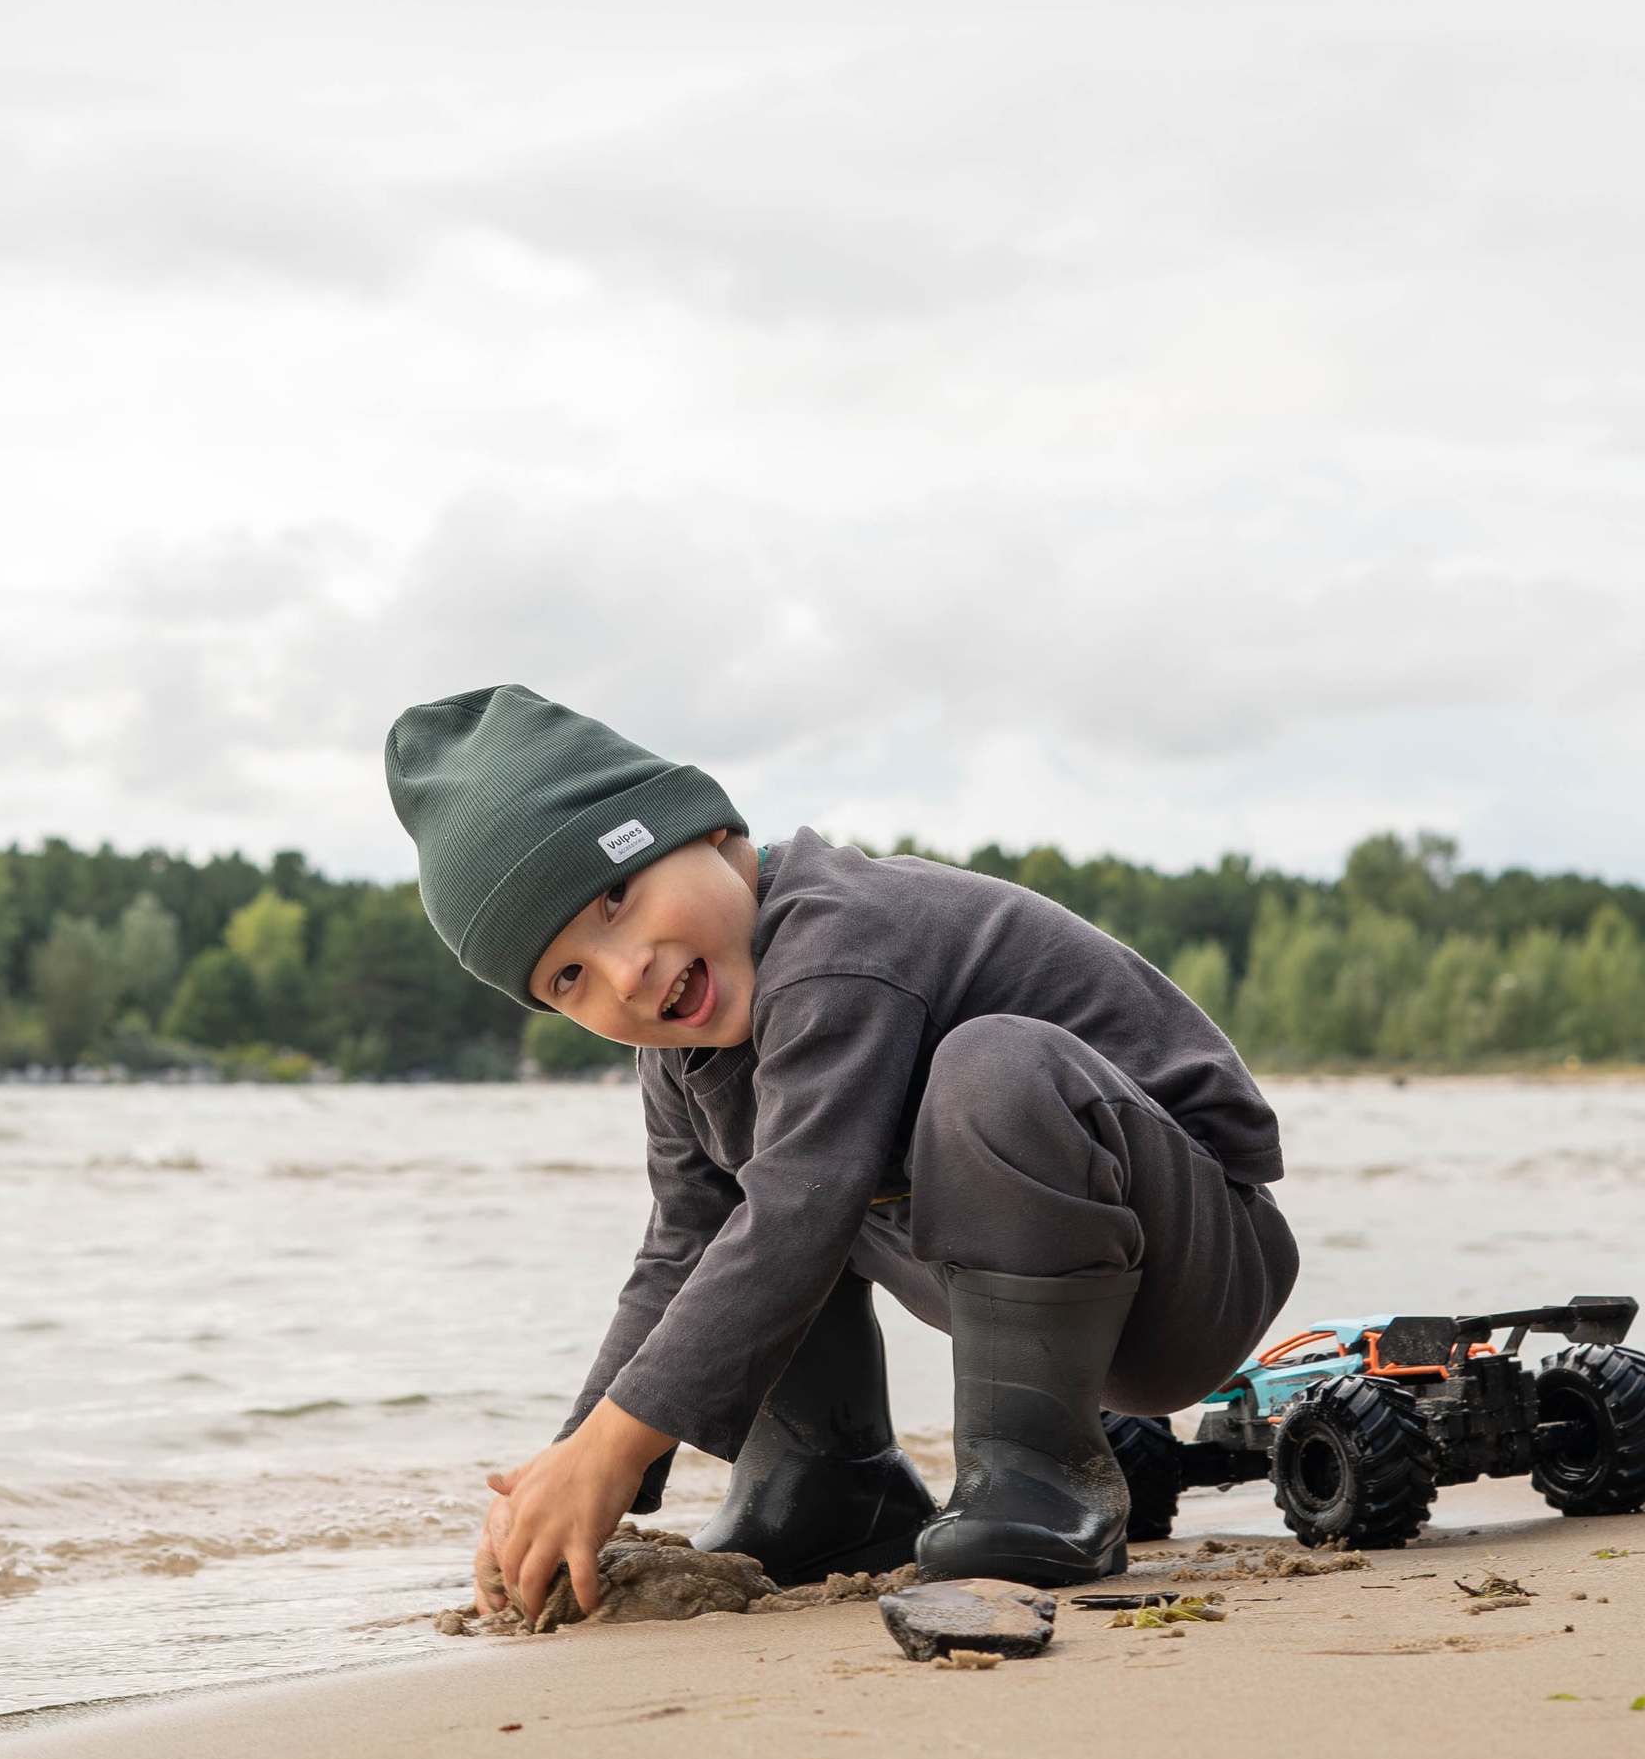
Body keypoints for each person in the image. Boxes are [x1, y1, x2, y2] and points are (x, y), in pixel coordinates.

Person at [385, 683, 1298, 1628]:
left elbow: (798, 1214)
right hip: (1019, 1289)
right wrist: (571, 1465)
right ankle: (830, 1484)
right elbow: (681, 1252)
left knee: (963, 1087)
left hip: (1195, 1256)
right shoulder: (683, 1048)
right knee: (743, 1217)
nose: (627, 973)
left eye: (617, 897)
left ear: (699, 830)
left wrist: (617, 1447)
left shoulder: (839, 936)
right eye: (569, 976)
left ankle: (1040, 1476)